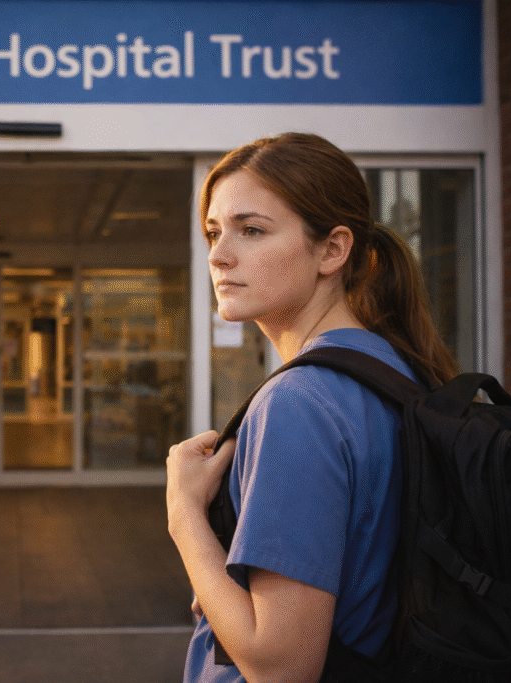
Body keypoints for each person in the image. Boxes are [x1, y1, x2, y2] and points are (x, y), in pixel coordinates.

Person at [165, 132, 458, 683]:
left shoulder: (299, 404)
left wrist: (184, 515)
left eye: (251, 230)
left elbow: (281, 667)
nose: (218, 255)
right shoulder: (397, 369)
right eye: (213, 231)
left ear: (332, 249)